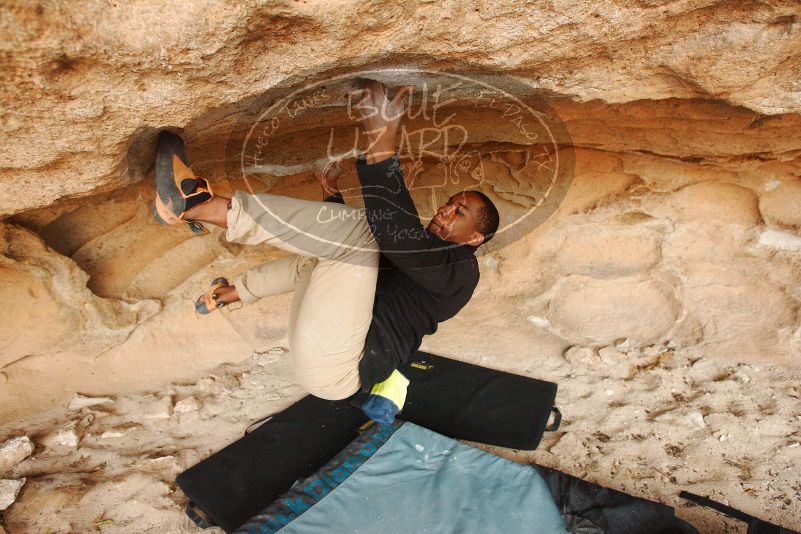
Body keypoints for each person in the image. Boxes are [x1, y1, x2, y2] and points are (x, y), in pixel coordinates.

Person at [152, 80, 500, 422]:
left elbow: (395, 237)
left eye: (460, 213)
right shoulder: (425, 255)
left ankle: (198, 206)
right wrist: (331, 194)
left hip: (342, 367)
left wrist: (383, 137)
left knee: (364, 231)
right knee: (319, 257)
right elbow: (357, 267)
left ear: (474, 239)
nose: (444, 211)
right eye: (450, 203)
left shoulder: (461, 271)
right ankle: (232, 292)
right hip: (325, 356)